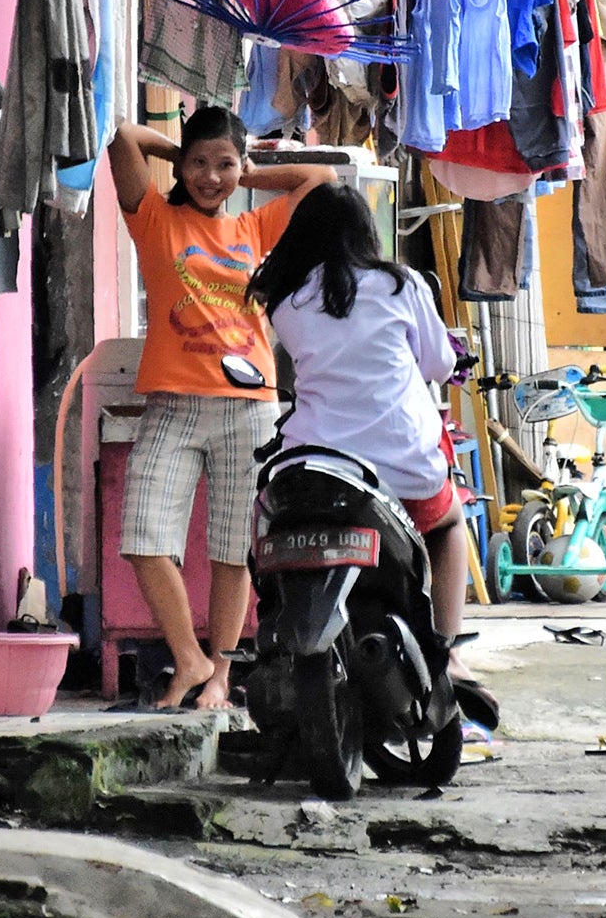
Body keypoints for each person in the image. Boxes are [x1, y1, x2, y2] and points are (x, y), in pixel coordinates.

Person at [246, 182, 498, 726]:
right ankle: (447, 652)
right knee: (451, 525)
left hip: (313, 462)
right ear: (368, 233)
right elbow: (434, 365)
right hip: (402, 464)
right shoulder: (401, 283)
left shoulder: (287, 301)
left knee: (266, 529)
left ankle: (270, 639)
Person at [107, 109, 334, 710]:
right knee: (142, 535)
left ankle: (218, 679)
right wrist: (184, 152)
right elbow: (124, 140)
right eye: (199, 163)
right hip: (174, 404)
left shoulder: (254, 228)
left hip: (250, 405)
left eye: (223, 165)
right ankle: (188, 656)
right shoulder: (156, 219)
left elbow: (321, 182)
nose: (211, 177)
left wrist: (248, 172)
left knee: (234, 550)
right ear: (181, 164)